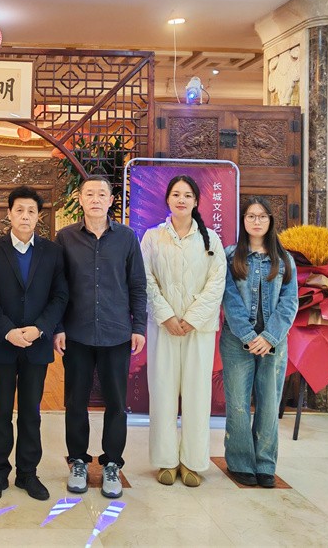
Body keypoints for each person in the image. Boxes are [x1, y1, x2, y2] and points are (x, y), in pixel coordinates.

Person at [54, 175, 147, 499]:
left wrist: (139, 327)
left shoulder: (127, 237)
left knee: (117, 404)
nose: (95, 199)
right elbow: (57, 287)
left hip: (116, 333)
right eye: (89, 194)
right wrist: (58, 327)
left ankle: (112, 464)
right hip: (77, 333)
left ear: (111, 200)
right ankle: (78, 461)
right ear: (80, 199)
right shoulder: (65, 237)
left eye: (101, 194)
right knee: (75, 402)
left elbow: (138, 285)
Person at [0, 186, 68, 503]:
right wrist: (7, 331)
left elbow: (60, 296)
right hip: (3, 345)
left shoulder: (52, 252)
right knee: (0, 412)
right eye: (19, 210)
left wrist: (40, 328)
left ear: (39, 216)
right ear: (9, 213)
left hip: (36, 345)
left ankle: (28, 473)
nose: (25, 216)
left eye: (31, 211)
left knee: (31, 413)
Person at [141, 174, 227, 487]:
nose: (181, 199)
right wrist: (166, 316)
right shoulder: (152, 237)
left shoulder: (211, 239)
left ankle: (193, 462)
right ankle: (165, 461)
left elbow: (217, 282)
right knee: (162, 392)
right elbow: (145, 279)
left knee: (197, 395)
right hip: (163, 327)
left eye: (187, 195)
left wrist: (191, 318)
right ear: (167, 199)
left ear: (196, 201)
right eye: (176, 194)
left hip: (198, 330)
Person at [221, 197, 298, 488]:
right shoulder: (230, 256)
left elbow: (289, 303)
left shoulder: (284, 259)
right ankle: (241, 463)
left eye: (262, 216)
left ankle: (265, 464)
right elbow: (228, 298)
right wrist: (248, 335)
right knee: (238, 404)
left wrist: (269, 337)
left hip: (273, 343)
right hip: (236, 341)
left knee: (268, 403)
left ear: (270, 221)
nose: (256, 221)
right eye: (251, 216)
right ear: (243, 221)